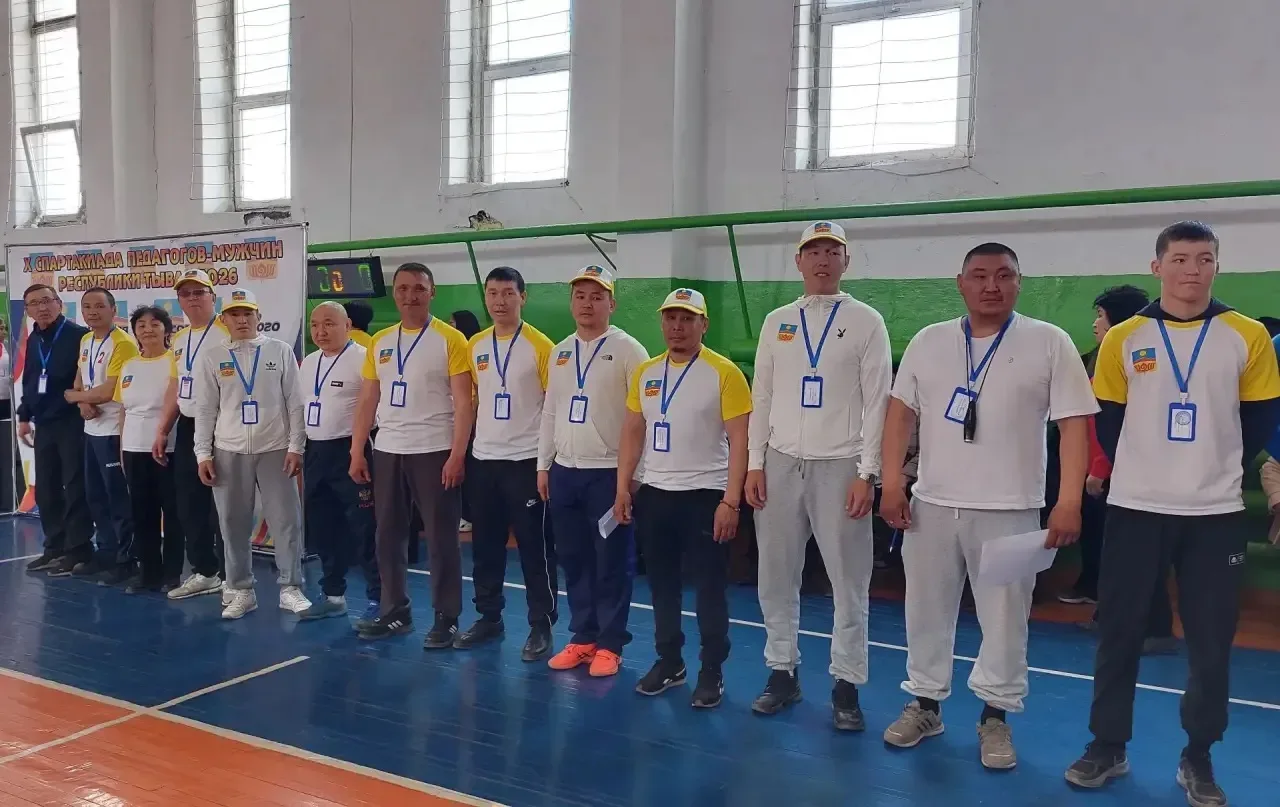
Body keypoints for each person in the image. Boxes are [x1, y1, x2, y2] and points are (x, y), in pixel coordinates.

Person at [1065, 221, 1280, 807]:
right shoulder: (1123, 337)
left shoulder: (1246, 336)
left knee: (1211, 643)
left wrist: (1212, 465)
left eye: (1204, 259)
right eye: (1180, 259)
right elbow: (1108, 418)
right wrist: (1147, 467)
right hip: (1137, 509)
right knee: (1119, 633)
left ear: (1217, 266)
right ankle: (1107, 745)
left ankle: (1199, 756)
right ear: (1157, 267)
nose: (1193, 270)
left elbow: (1261, 417)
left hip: (1216, 514)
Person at [879, 243, 1098, 769]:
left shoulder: (1049, 342)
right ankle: (925, 704)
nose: (991, 286)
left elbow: (1074, 425)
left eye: (1004, 275)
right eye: (979, 276)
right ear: (961, 283)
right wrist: (890, 483)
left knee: (1005, 621)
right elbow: (900, 415)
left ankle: (995, 717)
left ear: (1020, 282)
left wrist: (1068, 501)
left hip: (1012, 510)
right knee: (925, 611)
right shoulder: (929, 341)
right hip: (931, 506)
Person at [745, 221, 892, 730]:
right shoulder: (777, 322)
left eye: (832, 251)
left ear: (846, 260)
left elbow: (877, 402)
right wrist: (756, 462)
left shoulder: (866, 321)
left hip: (842, 464)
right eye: (814, 251)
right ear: (799, 261)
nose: (823, 260)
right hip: (780, 461)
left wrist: (867, 472)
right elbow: (762, 395)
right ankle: (781, 671)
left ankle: (846, 684)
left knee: (848, 581)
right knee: (775, 575)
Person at [615, 288, 751, 708]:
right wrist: (623, 486)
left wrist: (730, 501)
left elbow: (741, 440)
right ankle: (670, 662)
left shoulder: (724, 373)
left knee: (709, 589)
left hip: (706, 496)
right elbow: (633, 431)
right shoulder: (647, 373)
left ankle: (711, 669)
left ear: (703, 325)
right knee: (662, 586)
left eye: (687, 319)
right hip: (656, 494)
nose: (678, 326)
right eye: (671, 318)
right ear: (662, 322)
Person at [349, 262, 472, 646]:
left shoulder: (452, 340)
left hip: (435, 450)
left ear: (432, 292)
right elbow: (368, 398)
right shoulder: (381, 341)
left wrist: (457, 454)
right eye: (402, 288)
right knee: (387, 536)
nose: (410, 295)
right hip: (388, 450)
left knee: (441, 538)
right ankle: (395, 612)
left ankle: (446, 617)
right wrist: (357, 449)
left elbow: (464, 403)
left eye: (419, 288)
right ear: (394, 293)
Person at [537, 265, 649, 678]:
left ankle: (610, 644)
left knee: (612, 561)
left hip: (608, 475)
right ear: (571, 303)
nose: (587, 304)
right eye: (580, 296)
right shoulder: (560, 351)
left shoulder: (629, 350)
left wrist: (633, 478)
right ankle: (583, 637)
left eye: (597, 297)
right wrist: (543, 464)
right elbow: (551, 410)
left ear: (611, 304)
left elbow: (642, 417)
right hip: (565, 472)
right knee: (573, 559)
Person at [454, 267, 558, 660]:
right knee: (485, 547)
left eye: (508, 293)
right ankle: (488, 617)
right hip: (484, 461)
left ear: (522, 297)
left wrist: (545, 464)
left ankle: (541, 624)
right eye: (493, 293)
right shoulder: (475, 345)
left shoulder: (541, 346)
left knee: (535, 548)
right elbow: (471, 402)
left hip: (526, 462)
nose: (500, 301)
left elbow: (552, 408)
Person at [193, 287, 310, 619]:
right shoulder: (213, 356)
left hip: (275, 448)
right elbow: (205, 409)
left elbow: (295, 402)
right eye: (234, 314)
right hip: (227, 450)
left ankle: (290, 588)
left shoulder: (280, 351)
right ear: (224, 319)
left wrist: (296, 446)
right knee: (233, 523)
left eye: (248, 313)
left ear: (259, 316)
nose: (242, 320)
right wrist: (203, 454)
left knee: (286, 521)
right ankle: (241, 590)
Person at [296, 302, 381, 621]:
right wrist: (296, 449)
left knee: (365, 528)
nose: (320, 331)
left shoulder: (364, 359)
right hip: (316, 452)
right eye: (315, 324)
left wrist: (359, 451)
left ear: (347, 325)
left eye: (329, 323)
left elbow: (376, 408)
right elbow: (300, 408)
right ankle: (333, 595)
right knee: (323, 527)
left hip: (353, 451)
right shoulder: (309, 363)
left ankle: (381, 598)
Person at [63, 287, 138, 582]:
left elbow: (110, 390)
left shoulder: (123, 343)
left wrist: (75, 398)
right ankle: (105, 552)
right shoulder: (86, 339)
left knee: (117, 498)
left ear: (113, 309)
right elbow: (80, 378)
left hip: (114, 431)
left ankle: (126, 559)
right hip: (91, 429)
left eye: (99, 306)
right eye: (87, 307)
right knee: (95, 496)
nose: (92, 312)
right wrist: (82, 401)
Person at [162, 269, 228, 601]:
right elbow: (176, 386)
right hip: (189, 425)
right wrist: (163, 429)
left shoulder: (228, 330)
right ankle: (205, 571)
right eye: (185, 294)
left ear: (212, 297)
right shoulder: (179, 338)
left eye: (199, 292)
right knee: (190, 503)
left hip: (224, 424)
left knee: (225, 505)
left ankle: (233, 577)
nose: (192, 299)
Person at [20, 285, 94, 575]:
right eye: (34, 303)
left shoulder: (78, 336)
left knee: (74, 487)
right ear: (27, 310)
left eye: (47, 301)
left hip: (72, 422)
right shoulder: (34, 338)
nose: (42, 308)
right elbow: (30, 378)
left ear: (59, 303)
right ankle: (54, 547)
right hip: (45, 423)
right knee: (47, 489)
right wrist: (24, 415)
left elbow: (87, 377)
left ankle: (79, 550)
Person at [115, 306, 184, 593]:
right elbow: (123, 410)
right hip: (134, 448)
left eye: (155, 324)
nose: (147, 329)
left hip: (169, 448)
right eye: (141, 325)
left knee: (173, 512)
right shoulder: (129, 365)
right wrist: (122, 449)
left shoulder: (176, 361)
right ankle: (148, 573)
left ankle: (172, 573)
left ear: (167, 330)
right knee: (142, 513)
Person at [450, 308, 483, 534]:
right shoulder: (457, 348)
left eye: (453, 322)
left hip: (472, 418)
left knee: (469, 470)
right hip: (461, 417)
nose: (450, 326)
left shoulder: (473, 349)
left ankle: (468, 515)